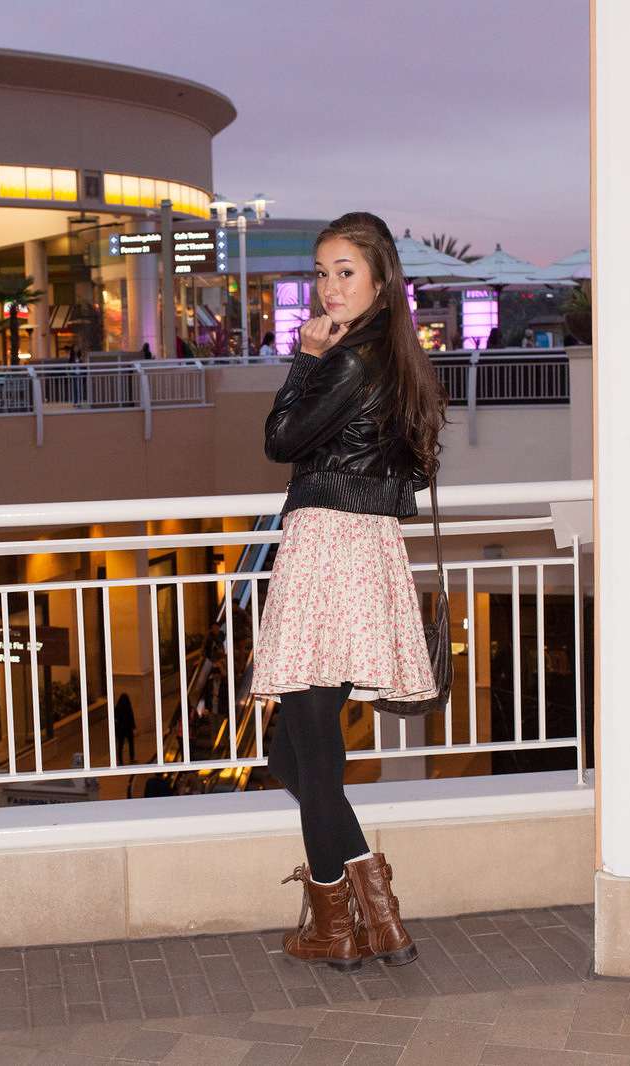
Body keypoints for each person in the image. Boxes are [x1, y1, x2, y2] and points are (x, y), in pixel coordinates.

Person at [250, 211, 443, 973]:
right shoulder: (397, 356)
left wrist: (303, 360)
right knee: (294, 753)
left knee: (308, 758)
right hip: (365, 550)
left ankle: (337, 925)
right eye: (322, 272)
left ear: (380, 280)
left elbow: (280, 441)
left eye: (345, 272)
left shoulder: (350, 359)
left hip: (328, 548)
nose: (330, 287)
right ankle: (377, 914)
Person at [113, 692, 137, 763]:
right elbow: (131, 717)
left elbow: (115, 719)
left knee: (120, 745)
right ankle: (131, 759)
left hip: (120, 730)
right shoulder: (128, 707)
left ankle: (120, 761)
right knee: (131, 744)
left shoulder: (117, 708)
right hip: (128, 728)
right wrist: (133, 727)